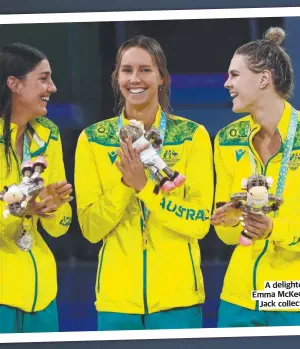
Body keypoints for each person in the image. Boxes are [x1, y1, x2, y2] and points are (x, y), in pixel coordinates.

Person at [211, 27, 300, 327]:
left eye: (235, 75)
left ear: (264, 78)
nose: (226, 83)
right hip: (239, 300)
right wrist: (230, 220)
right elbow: (226, 235)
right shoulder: (226, 140)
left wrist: (274, 229)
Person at [74, 35, 213, 331]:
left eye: (145, 70)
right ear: (117, 78)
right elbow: (91, 228)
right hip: (116, 303)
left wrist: (145, 189)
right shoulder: (92, 140)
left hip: (179, 301)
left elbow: (199, 222)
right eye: (127, 70)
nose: (135, 79)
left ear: (161, 77)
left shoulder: (192, 136)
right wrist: (126, 184)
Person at [0, 43, 73, 333]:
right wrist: (18, 210)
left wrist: (53, 208)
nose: (52, 87)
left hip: (42, 294)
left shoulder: (47, 134)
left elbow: (60, 227)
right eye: (43, 78)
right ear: (14, 84)